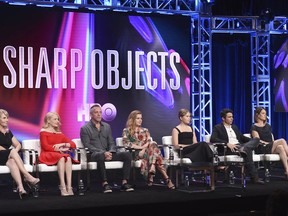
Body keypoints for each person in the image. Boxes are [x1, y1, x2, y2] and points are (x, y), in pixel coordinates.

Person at [80, 104, 134, 193]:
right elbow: (87, 145)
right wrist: (103, 152)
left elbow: (111, 142)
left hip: (108, 153)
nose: (99, 114)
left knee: (127, 154)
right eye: (96, 112)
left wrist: (111, 152)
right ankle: (105, 183)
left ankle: (124, 182)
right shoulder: (85, 128)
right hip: (94, 155)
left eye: (100, 112)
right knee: (100, 155)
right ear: (91, 114)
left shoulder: (107, 126)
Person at [122, 110, 175, 189]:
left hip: (147, 152)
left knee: (153, 144)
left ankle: (153, 166)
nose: (140, 120)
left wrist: (144, 149)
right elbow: (127, 144)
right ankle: (166, 179)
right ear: (132, 119)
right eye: (138, 118)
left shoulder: (145, 130)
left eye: (141, 118)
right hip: (135, 153)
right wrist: (141, 148)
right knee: (156, 153)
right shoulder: (126, 131)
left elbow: (149, 141)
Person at [210, 108, 264, 184]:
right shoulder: (218, 127)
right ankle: (254, 177)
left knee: (256, 139)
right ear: (223, 118)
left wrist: (254, 141)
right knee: (247, 150)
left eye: (232, 117)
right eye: (229, 117)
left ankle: (244, 148)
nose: (232, 118)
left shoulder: (234, 127)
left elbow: (242, 137)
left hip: (240, 146)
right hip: (229, 149)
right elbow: (213, 139)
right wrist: (227, 143)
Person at [0, 109, 40, 199]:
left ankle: (21, 188)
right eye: (4, 118)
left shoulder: (8, 132)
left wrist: (15, 151)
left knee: (13, 162)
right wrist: (11, 151)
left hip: (7, 156)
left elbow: (18, 144)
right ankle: (27, 176)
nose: (7, 120)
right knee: (12, 151)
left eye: (7, 118)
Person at [39, 111, 79, 196]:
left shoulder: (60, 134)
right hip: (47, 154)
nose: (57, 121)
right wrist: (58, 150)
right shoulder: (43, 132)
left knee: (67, 157)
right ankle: (62, 186)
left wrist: (62, 144)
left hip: (58, 154)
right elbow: (45, 147)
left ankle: (69, 187)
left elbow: (73, 145)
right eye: (55, 119)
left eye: (58, 119)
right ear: (48, 121)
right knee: (62, 157)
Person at [251, 107, 288, 179]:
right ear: (257, 115)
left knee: (280, 148)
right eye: (263, 113)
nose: (265, 115)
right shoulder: (254, 127)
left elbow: (270, 138)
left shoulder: (268, 126)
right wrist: (267, 143)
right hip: (262, 147)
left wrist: (270, 143)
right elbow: (257, 140)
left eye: (265, 113)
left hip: (270, 146)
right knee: (282, 140)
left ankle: (287, 171)